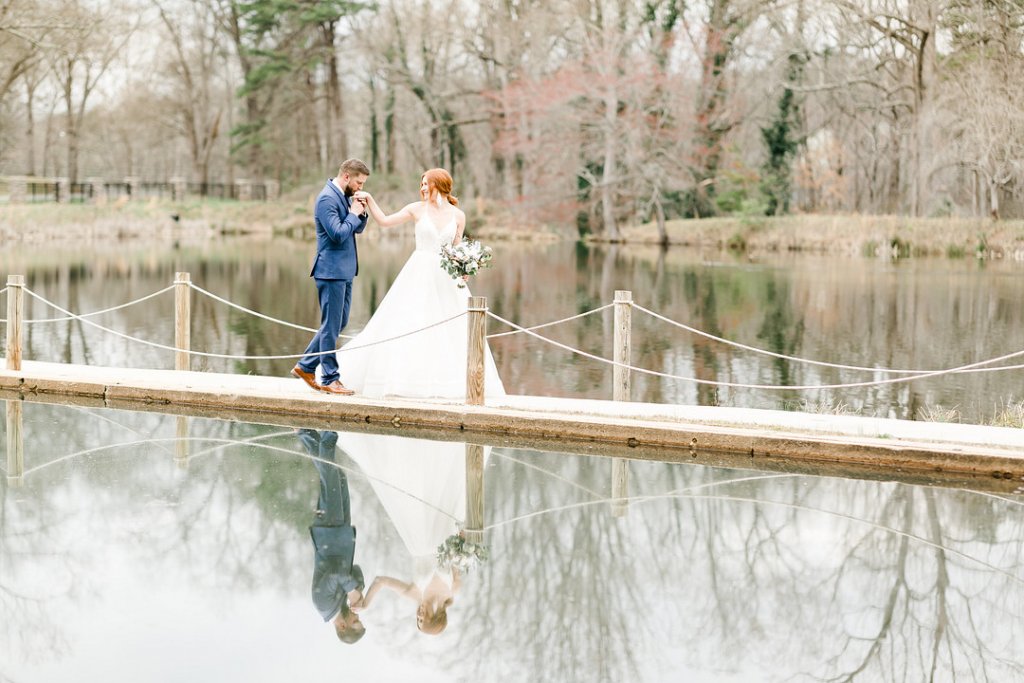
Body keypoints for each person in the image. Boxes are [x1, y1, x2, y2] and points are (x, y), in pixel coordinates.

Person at [339, 168, 504, 400]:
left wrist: (465, 268)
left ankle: (450, 385)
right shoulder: (416, 209)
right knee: (410, 322)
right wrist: (370, 200)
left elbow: (457, 249)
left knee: (450, 329)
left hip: (447, 279)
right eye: (422, 184)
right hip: (418, 273)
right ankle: (403, 382)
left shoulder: (458, 215)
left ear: (440, 184)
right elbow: (385, 222)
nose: (423, 188)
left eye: (427, 183)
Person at [339, 431, 487, 635]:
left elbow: (381, 580)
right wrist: (463, 543)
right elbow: (457, 558)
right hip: (444, 529)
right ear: (433, 617)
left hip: (418, 534)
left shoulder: (415, 594)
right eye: (422, 619)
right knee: (443, 484)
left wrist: (367, 604)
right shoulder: (453, 590)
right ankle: (441, 438)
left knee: (413, 483)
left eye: (416, 619)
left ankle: (409, 438)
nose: (418, 615)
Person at [291, 159, 371, 396]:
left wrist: (361, 213)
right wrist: (353, 213)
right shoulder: (327, 199)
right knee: (331, 325)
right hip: (330, 271)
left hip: (344, 271)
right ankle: (329, 378)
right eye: (358, 182)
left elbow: (355, 229)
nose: (360, 187)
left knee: (338, 323)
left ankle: (305, 366)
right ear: (346, 176)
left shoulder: (344, 197)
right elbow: (337, 234)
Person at [297, 428, 366, 644]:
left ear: (342, 626)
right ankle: (305, 433)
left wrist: (351, 591)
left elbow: (336, 573)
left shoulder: (323, 604)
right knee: (337, 476)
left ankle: (329, 429)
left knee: (330, 474)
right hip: (341, 530)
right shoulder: (341, 604)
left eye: (356, 621)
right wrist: (360, 590)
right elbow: (354, 570)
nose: (357, 616)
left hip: (329, 530)